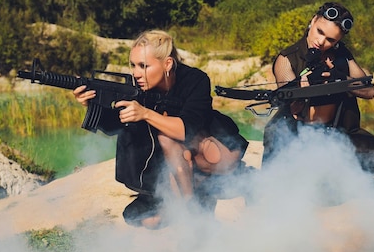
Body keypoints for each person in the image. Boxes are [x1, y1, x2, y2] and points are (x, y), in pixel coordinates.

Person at [73, 30, 249, 229]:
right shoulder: (138, 89)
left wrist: (145, 114)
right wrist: (91, 105)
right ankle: (194, 204)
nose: (136, 73)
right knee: (145, 219)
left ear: (167, 64)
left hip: (214, 152)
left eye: (144, 66)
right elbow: (116, 126)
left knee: (168, 138)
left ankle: (202, 206)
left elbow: (187, 129)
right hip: (179, 167)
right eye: (133, 65)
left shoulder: (195, 80)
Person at [262, 1, 374, 177]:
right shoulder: (287, 58)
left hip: (338, 135)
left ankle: (336, 173)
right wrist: (302, 89)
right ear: (313, 21)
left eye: (331, 39)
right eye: (320, 32)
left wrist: (340, 79)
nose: (321, 42)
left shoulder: (341, 55)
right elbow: (291, 105)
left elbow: (369, 91)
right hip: (295, 137)